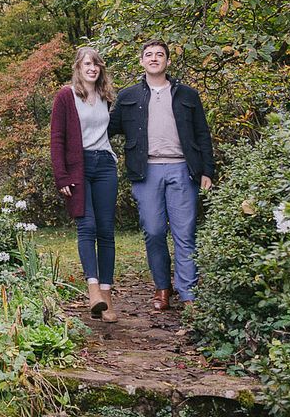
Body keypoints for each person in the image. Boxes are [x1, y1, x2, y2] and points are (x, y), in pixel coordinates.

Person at [108, 39, 214, 311]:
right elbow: (106, 129)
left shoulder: (187, 95)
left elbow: (203, 134)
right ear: (141, 61)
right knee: (154, 232)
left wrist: (206, 171)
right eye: (149, 55)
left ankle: (188, 291)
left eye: (160, 55)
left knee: (185, 233)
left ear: (167, 61)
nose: (154, 58)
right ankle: (162, 288)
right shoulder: (128, 96)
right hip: (146, 172)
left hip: (183, 169)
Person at [50, 47, 119, 322]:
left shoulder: (105, 97)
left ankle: (107, 296)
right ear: (78, 67)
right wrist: (62, 176)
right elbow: (57, 139)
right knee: (86, 225)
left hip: (105, 166)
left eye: (97, 64)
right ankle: (93, 290)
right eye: (87, 64)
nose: (92, 68)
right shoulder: (66, 96)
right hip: (79, 168)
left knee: (106, 231)